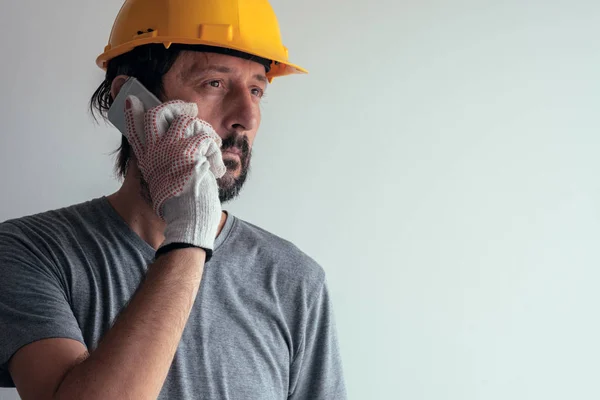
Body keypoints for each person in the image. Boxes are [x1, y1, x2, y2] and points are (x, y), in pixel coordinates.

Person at [0, 0, 347, 399]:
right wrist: (190, 230)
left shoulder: (294, 280)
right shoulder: (29, 252)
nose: (247, 117)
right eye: (214, 83)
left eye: (256, 90)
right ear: (130, 102)